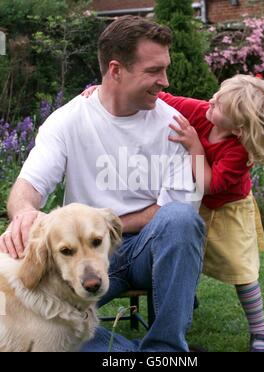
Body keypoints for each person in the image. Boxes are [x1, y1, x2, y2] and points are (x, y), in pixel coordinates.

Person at [0, 16, 205, 352]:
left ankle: (166, 350)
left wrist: (100, 225)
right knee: (49, 330)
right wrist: (24, 212)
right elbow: (28, 186)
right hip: (79, 257)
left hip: (144, 250)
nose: (165, 81)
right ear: (116, 70)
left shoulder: (172, 124)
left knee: (180, 220)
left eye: (164, 69)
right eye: (154, 71)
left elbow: (178, 210)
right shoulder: (68, 121)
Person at [161, 74, 264, 352]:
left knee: (241, 269)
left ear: (238, 127)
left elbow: (211, 184)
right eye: (217, 94)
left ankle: (260, 331)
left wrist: (194, 146)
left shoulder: (238, 150)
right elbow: (164, 100)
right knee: (186, 257)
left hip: (229, 211)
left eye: (220, 104)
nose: (211, 100)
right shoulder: (203, 111)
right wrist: (103, 92)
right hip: (197, 206)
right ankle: (186, 302)